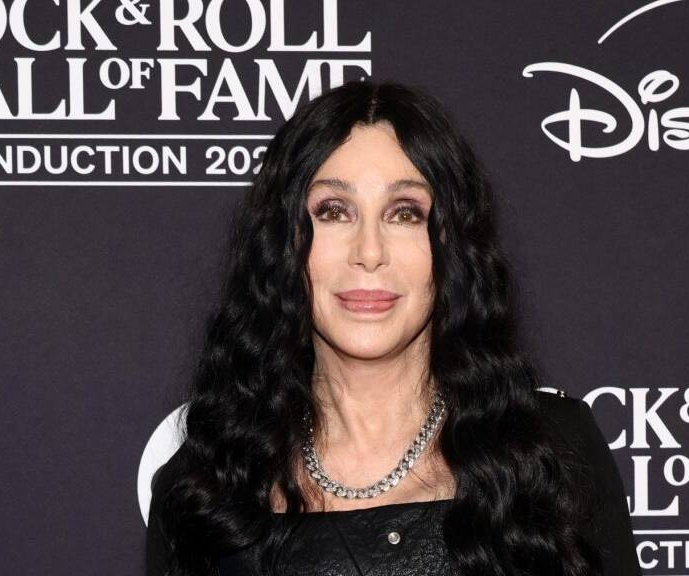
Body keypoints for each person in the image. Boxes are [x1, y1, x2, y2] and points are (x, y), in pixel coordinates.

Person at [146, 79, 642, 576]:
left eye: (405, 213)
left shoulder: (550, 454)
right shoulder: (205, 489)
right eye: (333, 212)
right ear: (284, 242)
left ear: (450, 245)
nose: (369, 252)